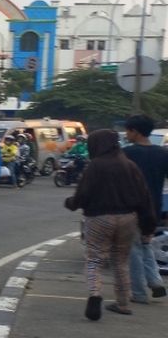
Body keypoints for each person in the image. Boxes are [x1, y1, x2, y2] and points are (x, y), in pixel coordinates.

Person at [65, 129, 158, 320]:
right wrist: (148, 225)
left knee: (94, 259)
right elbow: (144, 196)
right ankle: (123, 303)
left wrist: (71, 204)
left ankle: (94, 295)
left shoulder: (95, 166)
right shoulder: (129, 165)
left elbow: (83, 194)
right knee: (120, 261)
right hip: (127, 218)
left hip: (98, 218)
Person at [122, 114, 168, 303]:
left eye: (128, 130)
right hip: (154, 207)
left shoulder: (127, 153)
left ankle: (139, 292)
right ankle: (155, 281)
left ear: (135, 131)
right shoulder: (163, 153)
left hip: (131, 207)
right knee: (145, 243)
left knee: (133, 250)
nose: (126, 134)